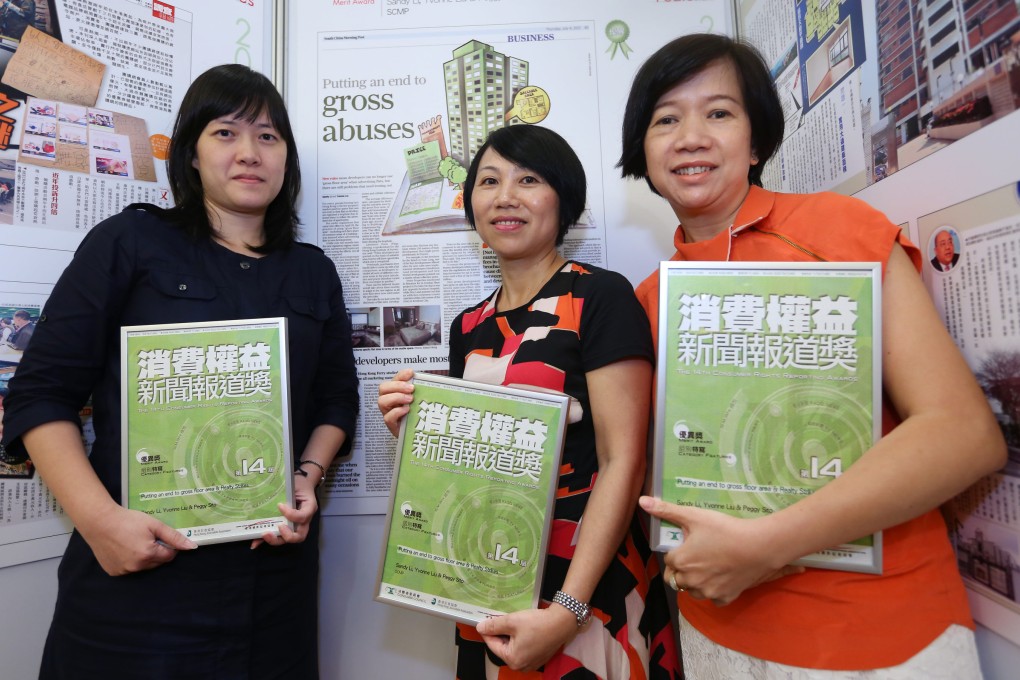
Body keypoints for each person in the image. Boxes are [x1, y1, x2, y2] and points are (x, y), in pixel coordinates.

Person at [618, 33, 1006, 678]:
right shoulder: (651, 299)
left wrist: (767, 545)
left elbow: (965, 435)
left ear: (758, 140)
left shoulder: (838, 229)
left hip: (880, 634)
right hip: (715, 626)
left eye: (719, 113)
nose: (690, 136)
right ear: (644, 150)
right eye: (666, 119)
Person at [0, 64, 359, 679]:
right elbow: (40, 393)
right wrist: (102, 523)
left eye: (269, 137)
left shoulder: (311, 270)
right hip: (139, 576)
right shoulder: (132, 241)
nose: (250, 153)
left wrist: (307, 475)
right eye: (226, 133)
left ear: (287, 159)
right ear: (191, 152)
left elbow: (334, 401)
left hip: (273, 584)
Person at [379, 124, 680, 679]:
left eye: (529, 179)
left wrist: (569, 610)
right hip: (489, 575)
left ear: (563, 199)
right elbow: (474, 463)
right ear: (471, 204)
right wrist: (418, 433)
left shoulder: (599, 295)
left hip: (587, 585)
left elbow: (624, 462)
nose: (505, 196)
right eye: (489, 181)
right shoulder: (469, 324)